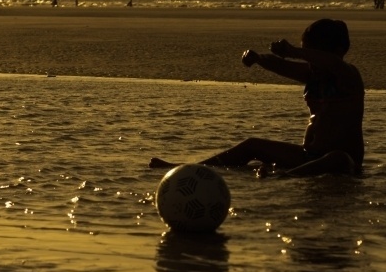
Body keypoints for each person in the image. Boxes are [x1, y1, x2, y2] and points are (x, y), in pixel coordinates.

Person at [151, 18, 364, 176]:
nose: (310, 62)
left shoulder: (348, 77)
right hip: (308, 157)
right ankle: (189, 169)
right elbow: (281, 65)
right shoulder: (312, 75)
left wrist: (294, 52)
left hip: (343, 162)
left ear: (337, 51)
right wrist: (257, 58)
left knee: (338, 158)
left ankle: (283, 177)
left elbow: (332, 64)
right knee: (252, 144)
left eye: (313, 55)